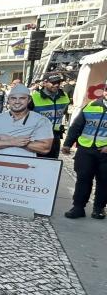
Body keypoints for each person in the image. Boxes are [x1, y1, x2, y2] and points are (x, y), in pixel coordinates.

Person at [61, 90, 107, 219]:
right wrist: (67, 144)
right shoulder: (91, 105)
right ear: (104, 92)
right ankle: (78, 207)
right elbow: (76, 126)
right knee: (83, 179)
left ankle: (99, 208)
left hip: (105, 152)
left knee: (104, 181)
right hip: (86, 150)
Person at [0, 84, 53, 158]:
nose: (17, 101)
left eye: (22, 98)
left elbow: (45, 148)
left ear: (29, 100)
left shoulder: (41, 120)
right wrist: (12, 142)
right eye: (13, 98)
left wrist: (10, 139)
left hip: (24, 166)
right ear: (8, 100)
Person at [31, 72, 70, 158]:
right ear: (44, 83)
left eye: (58, 83)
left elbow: (63, 112)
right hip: (38, 136)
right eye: (53, 82)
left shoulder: (64, 96)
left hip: (55, 136)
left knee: (52, 163)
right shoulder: (34, 97)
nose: (56, 85)